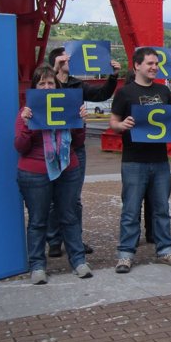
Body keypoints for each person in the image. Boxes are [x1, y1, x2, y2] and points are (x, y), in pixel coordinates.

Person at [110, 47, 171, 274]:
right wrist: (121, 126)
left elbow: (166, 121)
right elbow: (113, 123)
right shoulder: (125, 93)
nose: (154, 67)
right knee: (131, 210)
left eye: (156, 64)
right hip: (133, 161)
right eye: (150, 64)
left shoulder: (164, 91)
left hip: (160, 161)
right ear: (136, 66)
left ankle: (165, 250)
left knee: (162, 209)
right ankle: (125, 254)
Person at [15, 65, 92, 285]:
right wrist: (28, 125)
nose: (47, 87)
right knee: (38, 221)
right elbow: (20, 146)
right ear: (35, 88)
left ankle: (78, 261)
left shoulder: (68, 109)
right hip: (35, 172)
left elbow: (77, 143)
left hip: (68, 169)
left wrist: (80, 123)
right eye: (42, 84)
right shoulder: (25, 112)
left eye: (51, 83)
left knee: (69, 216)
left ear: (57, 87)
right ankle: (38, 265)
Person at [46, 47, 121, 258]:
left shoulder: (77, 84)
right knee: (53, 196)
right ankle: (53, 240)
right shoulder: (47, 80)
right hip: (51, 145)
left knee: (74, 198)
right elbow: (42, 94)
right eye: (67, 57)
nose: (72, 59)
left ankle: (74, 239)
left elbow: (101, 94)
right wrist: (54, 70)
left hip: (74, 146)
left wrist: (113, 77)